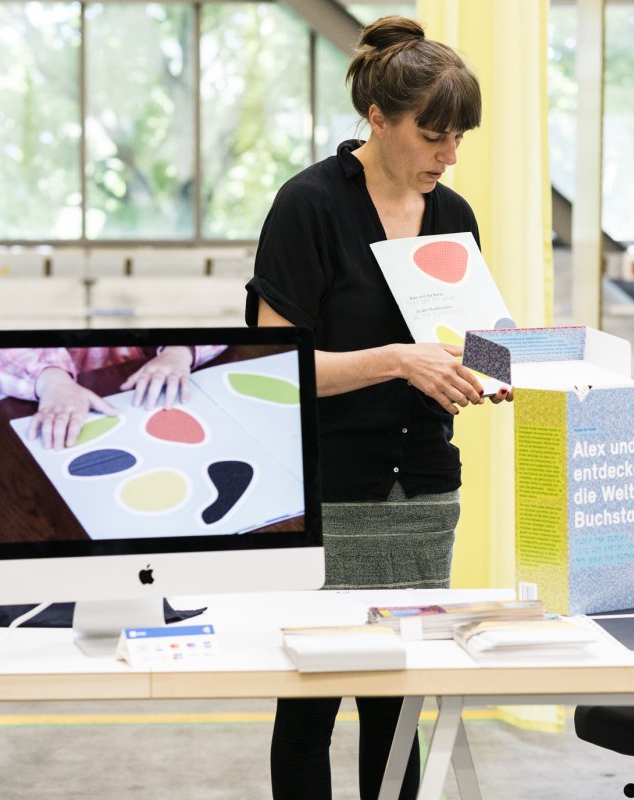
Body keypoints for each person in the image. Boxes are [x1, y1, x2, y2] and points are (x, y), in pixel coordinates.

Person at [246, 15, 507, 800]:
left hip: (424, 492)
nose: (449, 155)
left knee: (399, 704)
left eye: (459, 137)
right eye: (434, 136)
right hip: (330, 491)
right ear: (377, 120)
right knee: (309, 703)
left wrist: (518, 364)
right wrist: (398, 360)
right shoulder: (310, 207)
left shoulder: (453, 216)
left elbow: (475, 346)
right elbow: (272, 374)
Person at [0, 345, 226, 449]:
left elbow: (222, 320)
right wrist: (52, 380)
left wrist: (179, 351)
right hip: (43, 400)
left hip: (141, 396)